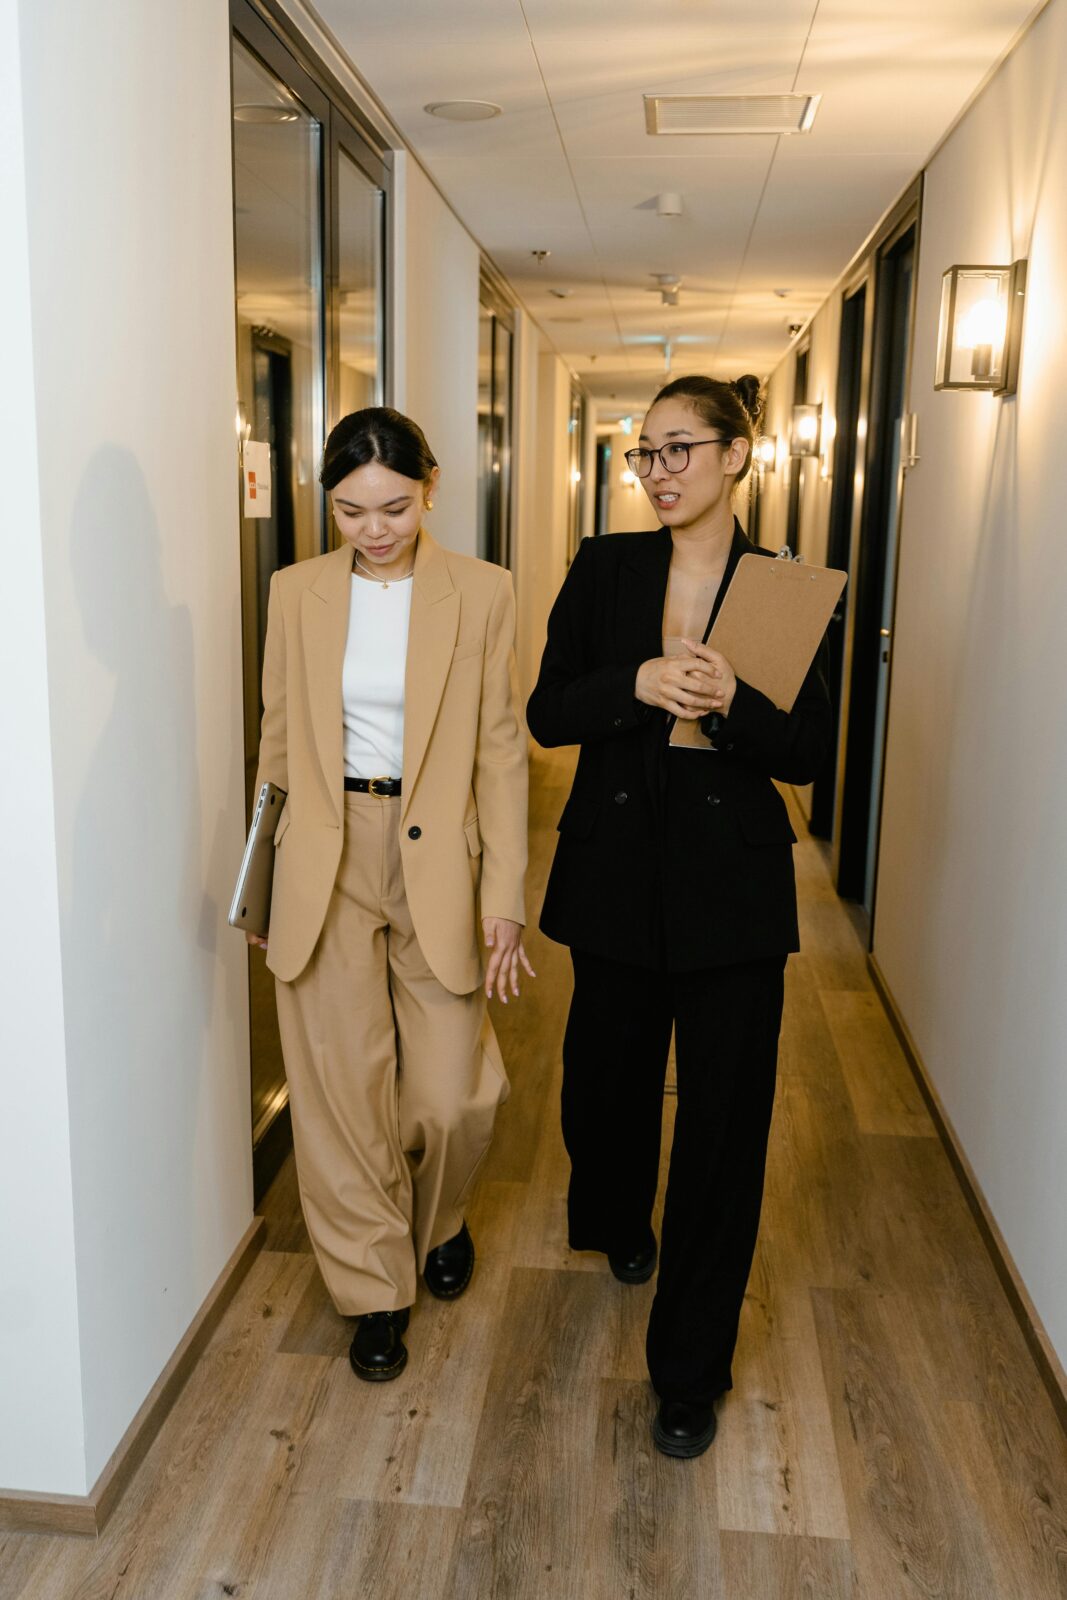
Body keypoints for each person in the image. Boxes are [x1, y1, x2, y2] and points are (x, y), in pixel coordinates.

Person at [526, 375, 831, 1458]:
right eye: (642, 454)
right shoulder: (605, 567)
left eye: (678, 450)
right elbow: (546, 708)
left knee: (721, 1130)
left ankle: (688, 1368)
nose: (657, 472)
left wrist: (730, 704)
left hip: (730, 896)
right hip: (612, 872)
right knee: (600, 1095)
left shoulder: (790, 590)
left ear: (737, 456)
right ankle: (617, 1218)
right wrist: (640, 682)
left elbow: (808, 752)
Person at [248, 406, 533, 1382]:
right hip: (324, 857)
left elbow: (501, 752)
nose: (373, 529)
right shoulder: (295, 593)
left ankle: (440, 1216)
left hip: (438, 854)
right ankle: (374, 1287)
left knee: (450, 1094)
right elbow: (276, 748)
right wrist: (260, 886)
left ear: (430, 488)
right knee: (339, 1089)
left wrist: (504, 894)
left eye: (394, 507)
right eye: (349, 510)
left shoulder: (481, 592)